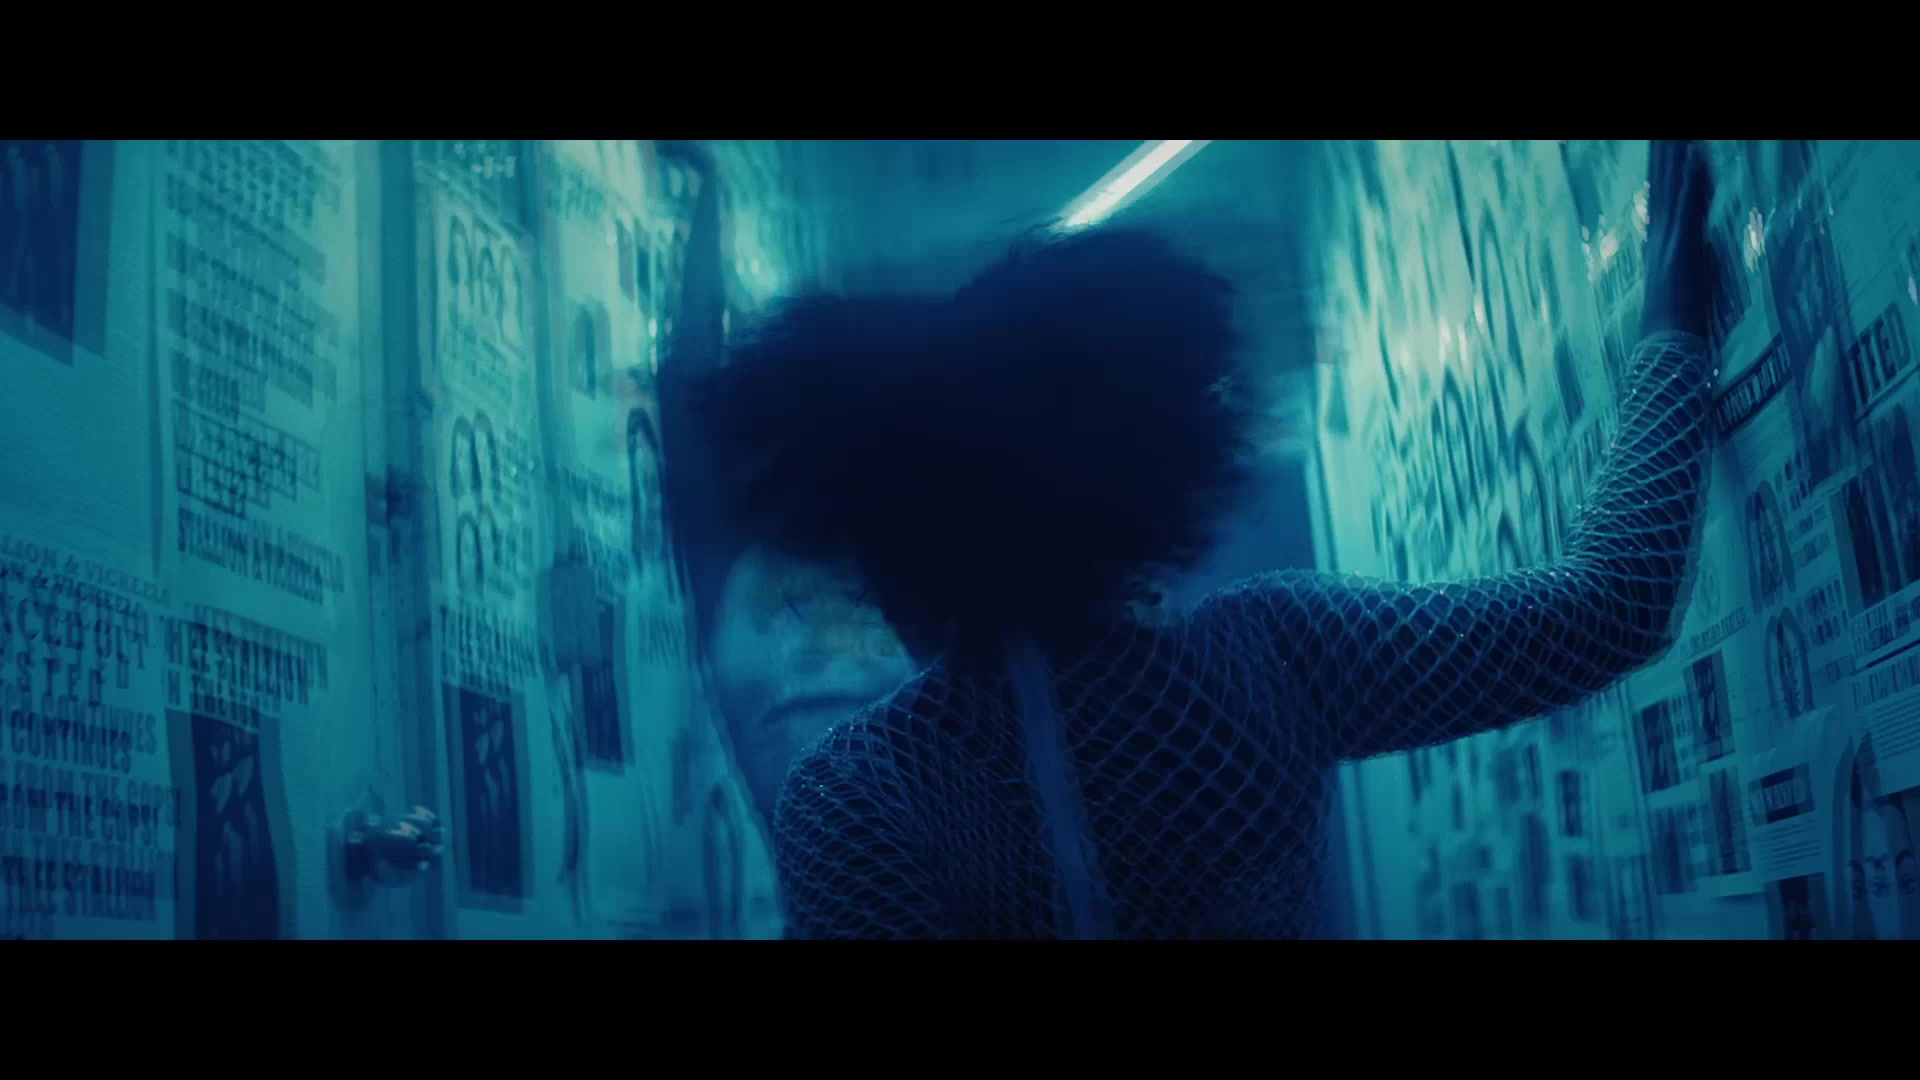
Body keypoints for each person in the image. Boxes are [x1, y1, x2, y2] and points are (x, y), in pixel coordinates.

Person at [688, 140, 1721, 939]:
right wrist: (1672, 330)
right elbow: (1614, 606)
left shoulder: (859, 794)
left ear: (890, 542)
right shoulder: (1279, 657)